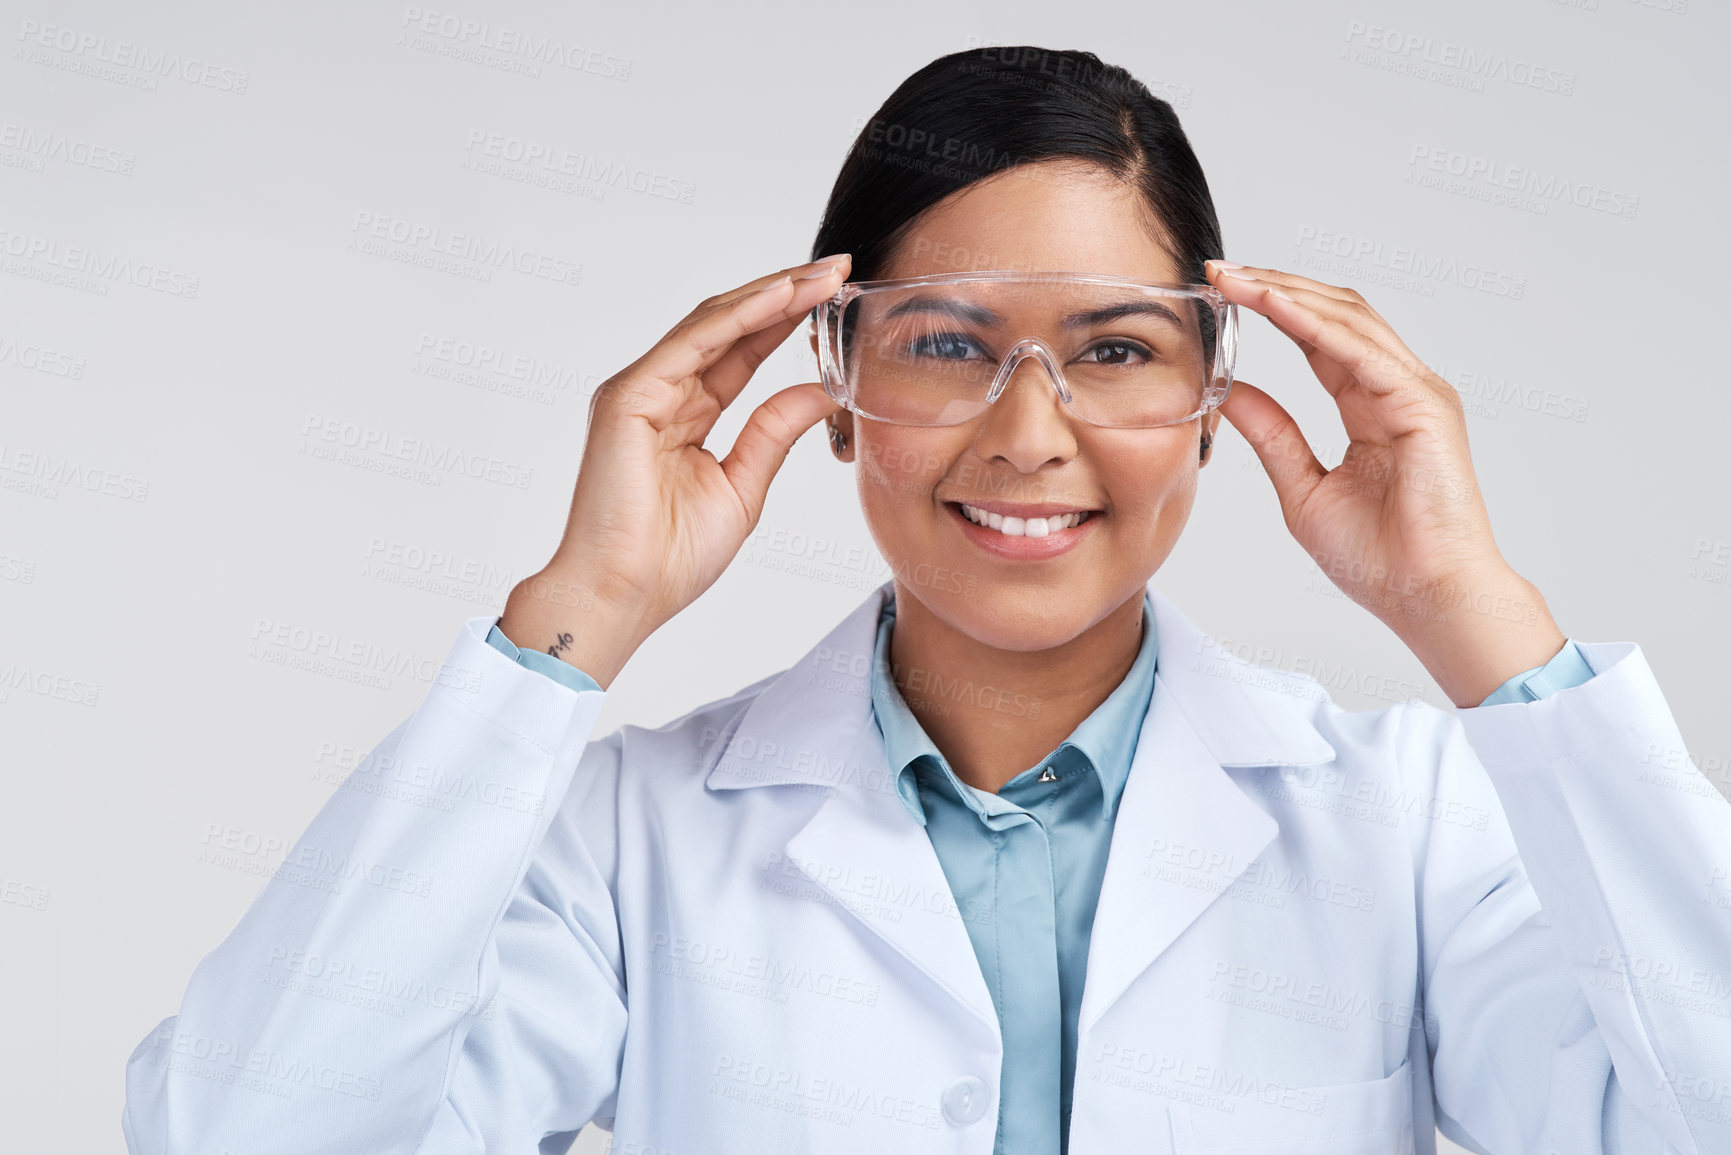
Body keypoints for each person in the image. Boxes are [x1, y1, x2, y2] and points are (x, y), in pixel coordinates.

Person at [122, 46, 1731, 1155]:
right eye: (947, 344)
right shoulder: (633, 837)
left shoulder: (1415, 818)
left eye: (1115, 349)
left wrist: (1475, 613)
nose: (1030, 434)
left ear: (1213, 398)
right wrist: (581, 610)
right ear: (833, 384)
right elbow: (256, 1132)